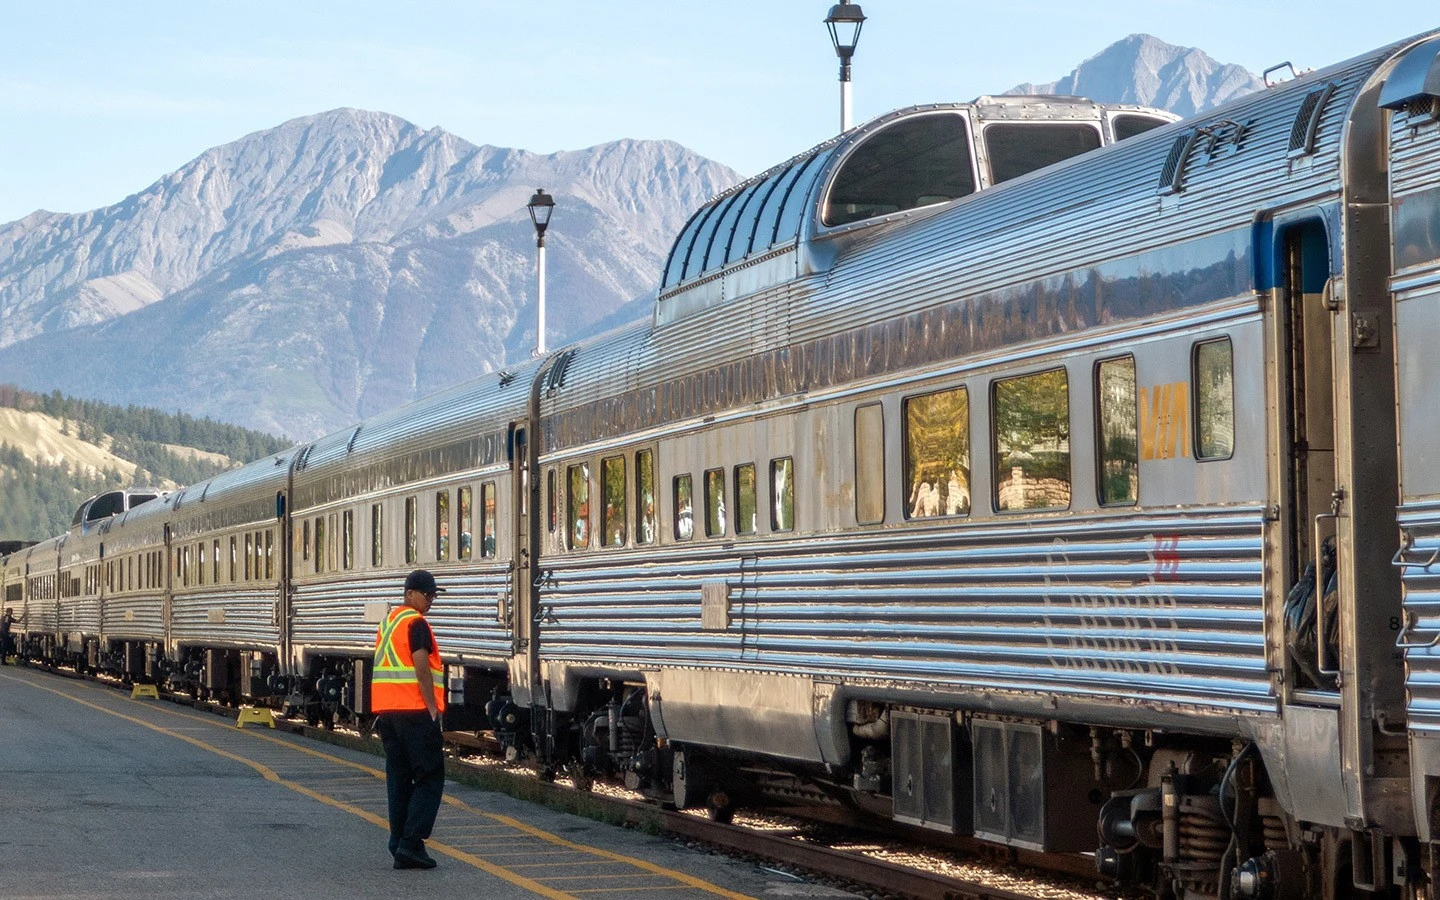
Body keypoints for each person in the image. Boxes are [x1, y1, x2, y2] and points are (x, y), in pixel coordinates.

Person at [372, 570, 448, 869]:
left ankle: (398, 844)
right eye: (426, 594)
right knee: (430, 777)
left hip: (388, 713)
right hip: (414, 712)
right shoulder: (416, 623)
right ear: (409, 594)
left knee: (399, 780)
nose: (430, 600)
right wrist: (432, 708)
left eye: (432, 595)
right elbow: (421, 667)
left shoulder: (389, 622)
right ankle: (411, 843)